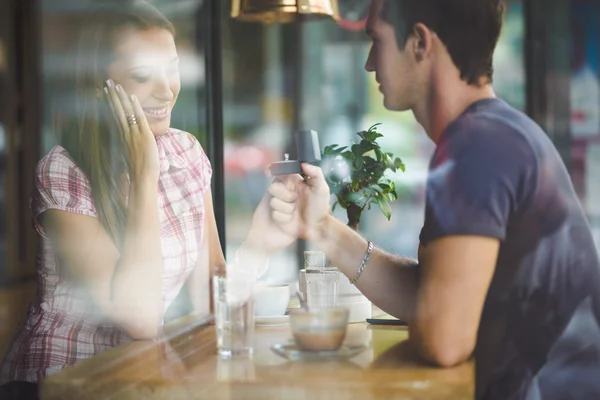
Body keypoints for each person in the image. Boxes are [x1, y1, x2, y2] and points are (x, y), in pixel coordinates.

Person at [268, 0, 600, 399]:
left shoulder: (477, 144)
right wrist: (320, 226)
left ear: (420, 42)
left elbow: (445, 339)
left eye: (378, 40)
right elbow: (429, 298)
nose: (370, 63)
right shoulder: (486, 133)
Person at [0, 0, 286, 389]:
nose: (166, 89)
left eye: (173, 68)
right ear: (98, 87)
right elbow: (139, 318)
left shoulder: (185, 152)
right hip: (66, 379)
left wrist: (260, 244)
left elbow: (209, 294)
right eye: (142, 74)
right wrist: (145, 172)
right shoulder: (62, 172)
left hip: (142, 373)